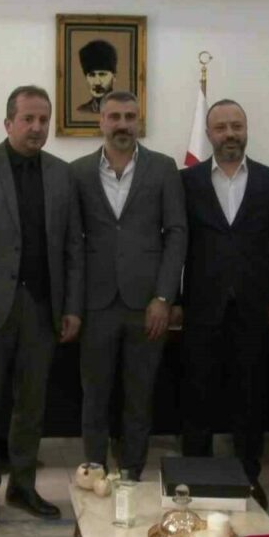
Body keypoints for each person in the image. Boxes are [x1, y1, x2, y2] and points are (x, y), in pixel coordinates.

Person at [0, 85, 84, 527]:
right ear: (8, 122)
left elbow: (72, 247)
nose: (37, 127)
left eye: (43, 119)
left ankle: (23, 486)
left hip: (43, 309)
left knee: (32, 405)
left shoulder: (62, 174)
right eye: (28, 119)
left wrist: (72, 307)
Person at [177, 99, 269, 511]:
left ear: (246, 129)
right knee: (197, 396)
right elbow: (176, 243)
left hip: (255, 309)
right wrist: (173, 299)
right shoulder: (187, 180)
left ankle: (248, 479)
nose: (230, 134)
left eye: (237, 126)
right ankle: (194, 478)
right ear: (208, 134)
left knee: (250, 397)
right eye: (221, 127)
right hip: (201, 308)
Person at [70, 91, 186, 481]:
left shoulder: (163, 168)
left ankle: (132, 474)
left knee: (139, 396)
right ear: (101, 121)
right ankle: (94, 472)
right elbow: (72, 243)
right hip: (96, 304)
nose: (122, 124)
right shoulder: (78, 172)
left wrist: (164, 297)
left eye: (129, 116)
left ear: (139, 120)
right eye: (114, 116)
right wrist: (74, 305)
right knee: (94, 396)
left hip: (147, 304)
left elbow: (176, 234)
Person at [76, 40, 117, 114]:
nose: (97, 82)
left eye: (102, 75)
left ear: (113, 78)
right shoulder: (82, 110)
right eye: (92, 75)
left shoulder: (123, 109)